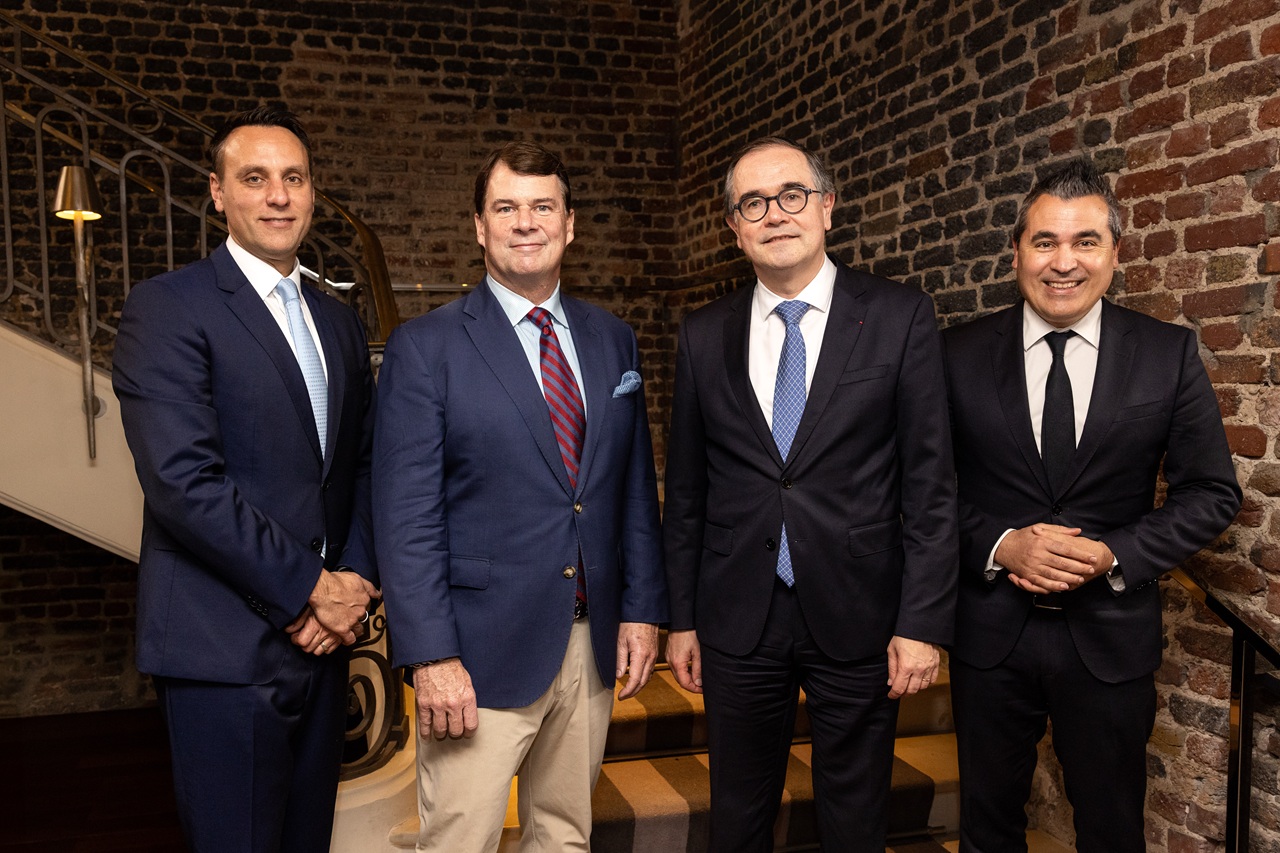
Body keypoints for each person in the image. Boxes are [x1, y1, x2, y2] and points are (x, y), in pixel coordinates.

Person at [662, 136, 958, 852]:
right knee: (738, 815)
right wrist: (681, 619)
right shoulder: (703, 335)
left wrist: (921, 622)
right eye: (753, 203)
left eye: (791, 195)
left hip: (861, 610)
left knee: (855, 818)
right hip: (738, 614)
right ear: (733, 227)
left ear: (827, 206)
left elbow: (931, 485)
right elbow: (689, 492)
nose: (775, 214)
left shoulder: (899, 317)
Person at [374, 141, 667, 852]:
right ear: (480, 226)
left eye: (543, 206)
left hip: (589, 644)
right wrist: (431, 656)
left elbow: (631, 490)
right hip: (476, 654)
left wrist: (642, 610)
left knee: (565, 836)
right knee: (460, 840)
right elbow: (406, 517)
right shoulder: (426, 347)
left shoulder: (613, 340)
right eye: (506, 207)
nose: (526, 222)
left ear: (570, 224)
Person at [942, 157, 1242, 852]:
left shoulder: (1166, 354)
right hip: (989, 636)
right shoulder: (952, 354)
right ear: (1016, 251)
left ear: (1114, 252)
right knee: (987, 827)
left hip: (1110, 636)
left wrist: (1115, 553)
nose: (1063, 262)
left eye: (1085, 241)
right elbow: (923, 489)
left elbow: (1212, 491)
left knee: (1111, 830)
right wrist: (1002, 544)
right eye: (1044, 241)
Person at [112, 105, 380, 853]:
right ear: (217, 192)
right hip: (222, 649)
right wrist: (310, 588)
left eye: (294, 178)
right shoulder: (168, 308)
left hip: (327, 645)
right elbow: (183, 483)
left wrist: (355, 579)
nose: (278, 196)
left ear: (313, 191)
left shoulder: (338, 321)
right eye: (255, 178)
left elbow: (363, 464)